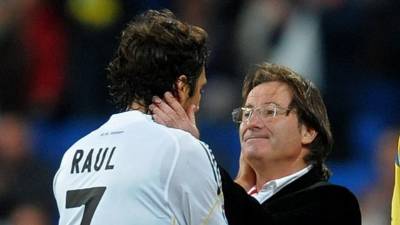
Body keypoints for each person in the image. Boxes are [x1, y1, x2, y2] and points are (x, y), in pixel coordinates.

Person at [53, 9, 227, 225]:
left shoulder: (72, 155)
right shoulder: (181, 147)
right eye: (200, 89)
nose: (199, 103)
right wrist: (191, 144)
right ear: (182, 87)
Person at [150, 62, 361, 225]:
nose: (252, 123)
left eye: (270, 112)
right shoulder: (233, 197)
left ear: (308, 131)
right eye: (247, 113)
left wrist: (195, 152)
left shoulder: (335, 204)